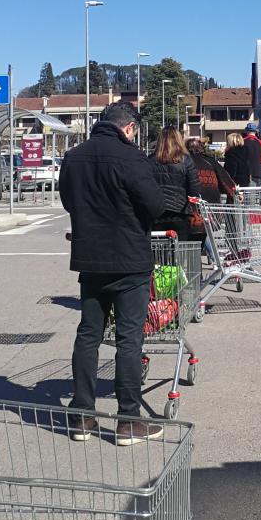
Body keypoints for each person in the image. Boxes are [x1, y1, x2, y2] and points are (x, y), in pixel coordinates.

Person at [59, 101, 166, 446]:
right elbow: (155, 206)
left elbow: (68, 201)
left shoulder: (74, 158)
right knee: (129, 339)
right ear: (130, 128)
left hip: (90, 260)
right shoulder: (131, 158)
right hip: (129, 260)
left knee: (88, 334)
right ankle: (128, 420)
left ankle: (82, 417)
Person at [151, 126, 203, 242]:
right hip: (180, 211)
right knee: (180, 252)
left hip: (157, 212)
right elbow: (194, 190)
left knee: (159, 252)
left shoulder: (150, 161)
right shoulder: (186, 161)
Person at [186, 137, 236, 254]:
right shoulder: (211, 162)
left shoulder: (184, 162)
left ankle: (211, 257)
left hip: (192, 208)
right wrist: (233, 192)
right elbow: (226, 181)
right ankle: (212, 257)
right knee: (204, 231)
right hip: (212, 207)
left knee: (198, 233)